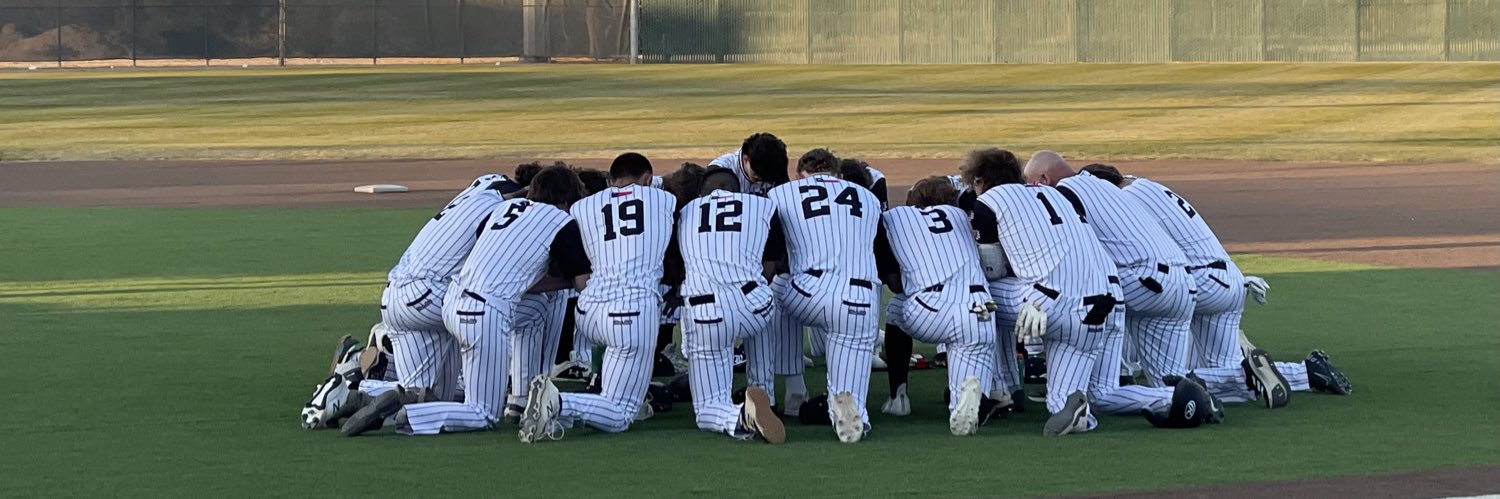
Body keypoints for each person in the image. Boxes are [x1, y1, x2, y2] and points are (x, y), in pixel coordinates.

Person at [341, 166, 591, 436]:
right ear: (567, 200)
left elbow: (510, 274)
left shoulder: (499, 211)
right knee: (482, 412)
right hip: (472, 309)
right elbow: (582, 284)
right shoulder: (560, 221)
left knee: (435, 394)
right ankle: (416, 410)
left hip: (441, 302)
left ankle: (357, 393)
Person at [1083, 163, 1352, 405]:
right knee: (1228, 375)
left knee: (1168, 376)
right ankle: (1306, 373)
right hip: (1231, 281)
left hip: (1197, 281)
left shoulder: (1125, 202)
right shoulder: (1150, 188)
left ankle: (1117, 374)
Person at [519, 153, 682, 443]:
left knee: (622, 376)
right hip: (631, 314)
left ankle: (595, 393)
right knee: (621, 415)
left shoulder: (582, 206)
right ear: (647, 179)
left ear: (609, 180)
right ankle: (558, 402)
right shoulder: (664, 200)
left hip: (589, 312)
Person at [962, 147, 1119, 436]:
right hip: (1096, 310)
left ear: (981, 181)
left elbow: (993, 269)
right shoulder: (1062, 195)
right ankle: (1079, 415)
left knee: (971, 298)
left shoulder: (989, 201)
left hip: (1043, 303)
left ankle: (998, 389)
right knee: (1061, 406)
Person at [767, 148, 888, 443]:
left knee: (772, 289)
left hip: (807, 292)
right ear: (839, 174)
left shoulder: (781, 194)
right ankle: (849, 410)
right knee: (849, 374)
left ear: (799, 174)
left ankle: (794, 390)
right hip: (861, 296)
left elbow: (772, 255)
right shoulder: (869, 198)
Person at [879, 177, 1004, 435]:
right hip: (979, 309)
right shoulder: (964, 217)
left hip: (929, 309)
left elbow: (896, 285)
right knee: (968, 363)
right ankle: (971, 401)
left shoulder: (896, 217)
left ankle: (898, 397)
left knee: (895, 307)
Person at [671, 165, 787, 442]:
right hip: (755, 305)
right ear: (739, 191)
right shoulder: (761, 206)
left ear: (702, 193)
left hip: (707, 313)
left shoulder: (686, 212)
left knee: (707, 408)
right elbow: (772, 262)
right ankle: (764, 392)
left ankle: (740, 416)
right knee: (765, 305)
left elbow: (676, 269)